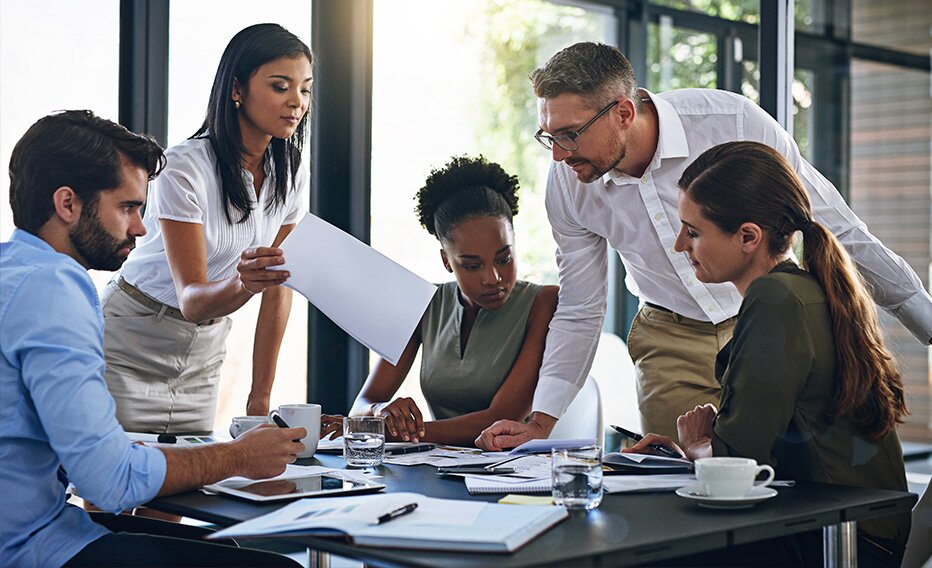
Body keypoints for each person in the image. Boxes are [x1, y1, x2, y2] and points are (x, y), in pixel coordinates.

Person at [475, 42, 932, 450]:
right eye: (548, 136)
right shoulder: (568, 182)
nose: (557, 153)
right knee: (680, 493)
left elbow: (839, 229)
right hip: (670, 338)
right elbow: (581, 305)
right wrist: (541, 422)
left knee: (788, 479)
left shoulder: (733, 123)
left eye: (569, 134)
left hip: (772, 321)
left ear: (623, 113)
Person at [0, 109, 306, 567]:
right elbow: (109, 482)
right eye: (128, 207)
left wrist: (114, 447)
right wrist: (238, 456)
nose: (142, 228)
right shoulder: (55, 289)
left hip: (41, 523)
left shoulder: (14, 271)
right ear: (67, 204)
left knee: (222, 548)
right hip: (34, 548)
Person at [626, 141, 909, 567]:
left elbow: (740, 462)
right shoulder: (805, 289)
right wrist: (693, 450)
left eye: (694, 231)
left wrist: (700, 444)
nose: (681, 245)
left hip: (837, 540)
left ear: (748, 237)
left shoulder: (775, 298)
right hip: (852, 528)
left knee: (643, 546)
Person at [102, 23, 311, 433]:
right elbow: (193, 298)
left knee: (190, 486)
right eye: (280, 86)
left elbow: (278, 287)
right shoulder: (184, 167)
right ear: (236, 89)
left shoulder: (291, 170)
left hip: (205, 349)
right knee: (110, 490)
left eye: (304, 89)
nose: (296, 102)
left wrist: (260, 396)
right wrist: (245, 283)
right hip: (132, 339)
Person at [346, 155, 558, 446]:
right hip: (437, 468)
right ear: (447, 260)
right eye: (472, 265)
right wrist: (379, 411)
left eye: (504, 258)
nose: (493, 278)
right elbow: (362, 406)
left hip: (517, 472)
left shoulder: (543, 302)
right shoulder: (423, 303)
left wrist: (393, 432)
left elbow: (502, 418)